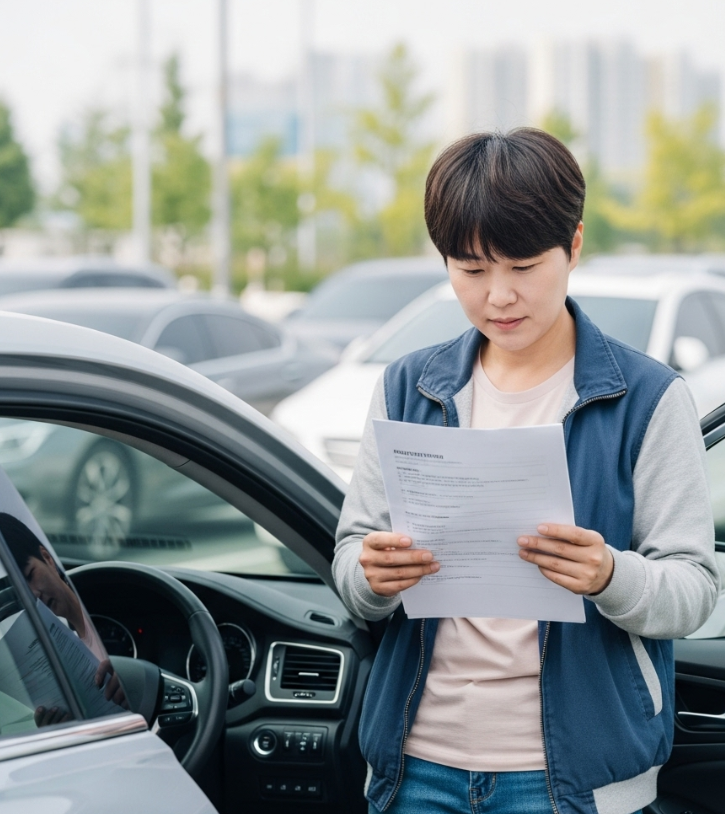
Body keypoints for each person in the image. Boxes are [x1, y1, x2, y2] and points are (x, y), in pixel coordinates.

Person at [333, 129, 720, 814]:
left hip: (571, 780)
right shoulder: (405, 388)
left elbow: (691, 588)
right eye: (471, 270)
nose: (498, 297)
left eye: (522, 266)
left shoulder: (648, 398)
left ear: (571, 247)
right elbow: (350, 556)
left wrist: (609, 575)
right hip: (414, 766)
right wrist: (370, 577)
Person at [0, 513, 126, 713]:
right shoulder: (53, 649)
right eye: (21, 590)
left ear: (48, 559)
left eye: (31, 575)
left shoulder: (119, 597)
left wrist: (134, 684)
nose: (34, 594)